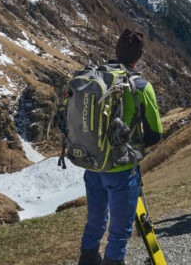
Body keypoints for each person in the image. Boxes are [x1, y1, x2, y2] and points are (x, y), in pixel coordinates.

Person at [78, 29, 163, 265]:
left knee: (94, 222)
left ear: (116, 52)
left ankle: (88, 259)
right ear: (140, 56)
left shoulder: (96, 78)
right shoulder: (141, 86)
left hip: (93, 164)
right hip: (121, 169)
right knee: (119, 232)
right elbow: (155, 134)